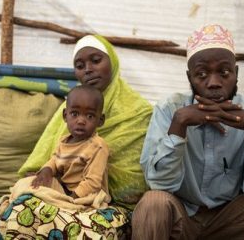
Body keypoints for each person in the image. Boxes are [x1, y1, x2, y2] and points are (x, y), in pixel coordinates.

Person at [133, 24, 244, 240]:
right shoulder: (170, 109)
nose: (214, 83)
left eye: (224, 72)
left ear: (236, 73)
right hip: (184, 214)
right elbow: (159, 183)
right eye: (202, 74)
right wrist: (179, 125)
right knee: (153, 203)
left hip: (233, 218)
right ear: (189, 77)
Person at [19, 35, 152, 208]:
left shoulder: (139, 112)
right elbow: (51, 157)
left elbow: (136, 181)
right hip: (60, 191)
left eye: (96, 61)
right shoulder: (67, 109)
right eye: (80, 66)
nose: (88, 70)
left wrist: (72, 194)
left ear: (112, 61)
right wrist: (44, 172)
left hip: (99, 200)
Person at [31, 85, 110, 202]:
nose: (81, 121)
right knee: (28, 183)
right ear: (65, 115)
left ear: (100, 120)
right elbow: (54, 160)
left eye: (90, 116)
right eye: (74, 114)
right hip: (65, 190)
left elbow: (93, 183)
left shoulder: (97, 146)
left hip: (87, 197)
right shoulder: (63, 141)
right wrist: (46, 170)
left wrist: (71, 198)